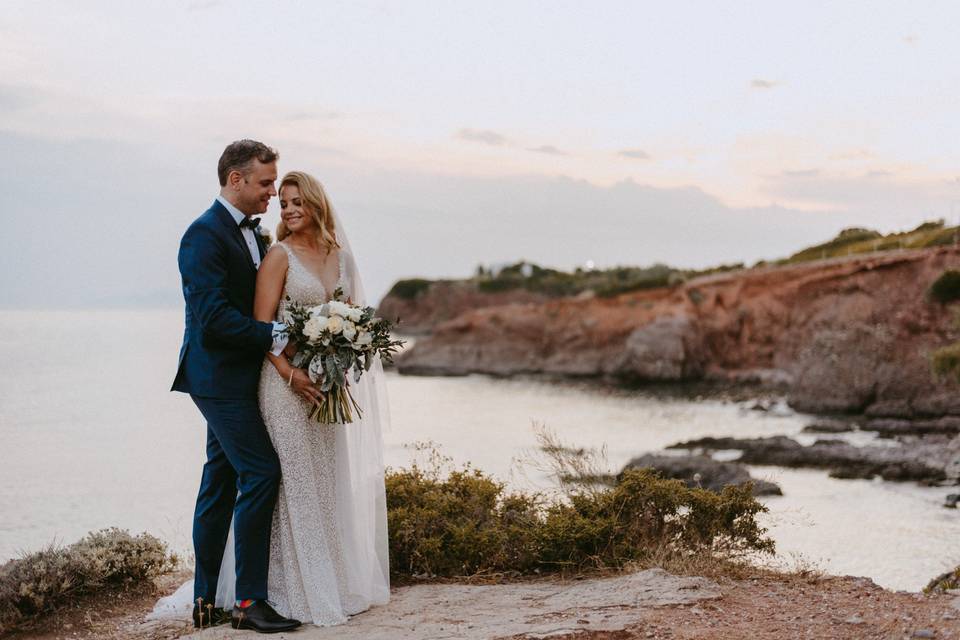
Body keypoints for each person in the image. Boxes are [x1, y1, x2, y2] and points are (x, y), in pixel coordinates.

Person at [171, 140, 303, 633]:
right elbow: (213, 319)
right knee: (263, 471)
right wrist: (278, 335)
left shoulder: (259, 236)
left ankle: (207, 598)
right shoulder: (202, 236)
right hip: (217, 378)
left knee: (220, 481)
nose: (273, 192)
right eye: (266, 183)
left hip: (248, 375)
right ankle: (249, 602)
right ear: (235, 180)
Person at [249, 170, 391, 624]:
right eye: (283, 203)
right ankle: (292, 590)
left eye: (297, 202)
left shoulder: (341, 258)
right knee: (295, 483)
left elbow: (354, 322)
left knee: (327, 481)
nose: (288, 210)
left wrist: (340, 365)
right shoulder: (279, 256)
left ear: (315, 205)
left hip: (325, 387)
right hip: (284, 387)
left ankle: (332, 580)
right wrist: (292, 375)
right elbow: (261, 328)